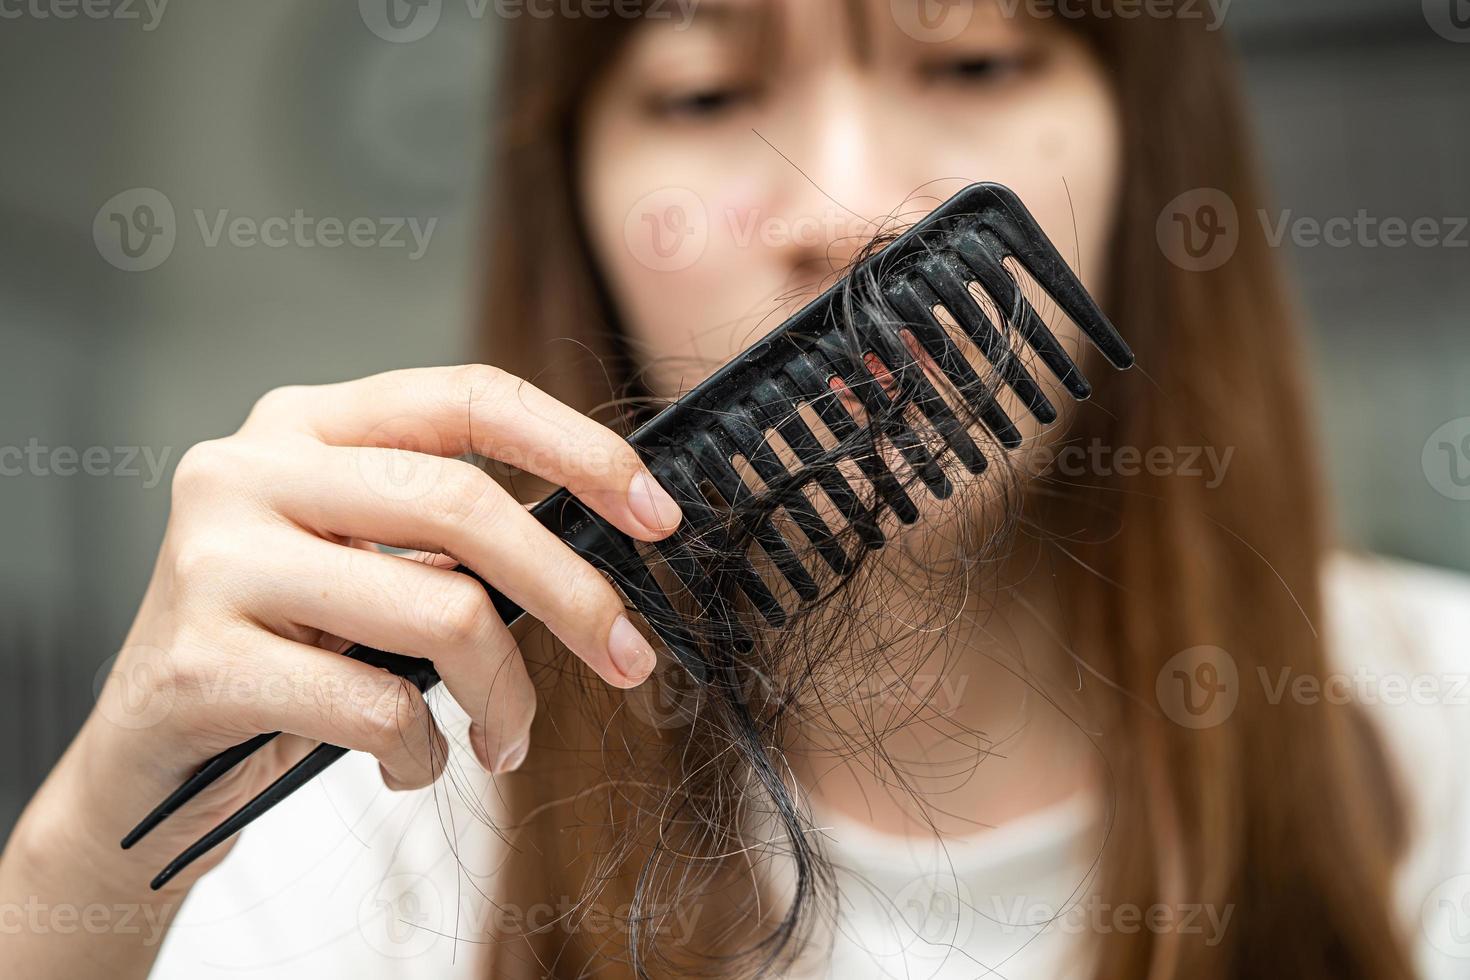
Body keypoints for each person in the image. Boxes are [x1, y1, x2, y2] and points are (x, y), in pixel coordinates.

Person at [5, 2, 1469, 978]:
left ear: (1151, 142)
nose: (843, 211)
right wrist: (86, 850)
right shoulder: (394, 795)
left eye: (970, 62)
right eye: (704, 90)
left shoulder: (1444, 723)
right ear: (569, 200)